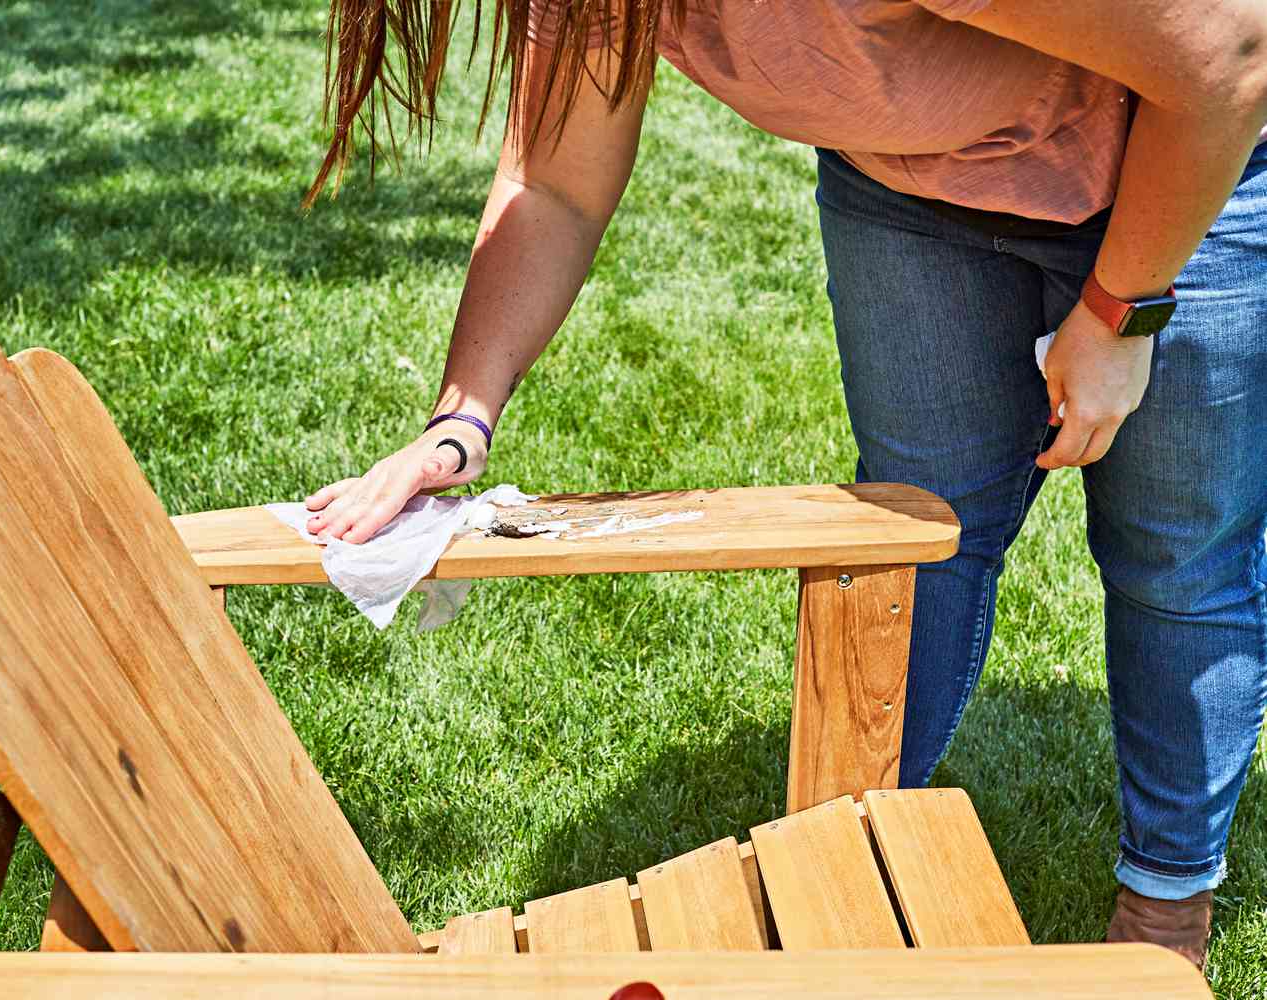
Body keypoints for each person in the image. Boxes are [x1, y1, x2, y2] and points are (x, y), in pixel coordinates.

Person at [301, 0, 1267, 967]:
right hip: (909, 191)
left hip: (1188, 163)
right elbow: (555, 183)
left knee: (1177, 555)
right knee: (917, 526)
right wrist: (458, 426)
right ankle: (849, 861)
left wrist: (1120, 312)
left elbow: (1232, 54)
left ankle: (1165, 902)